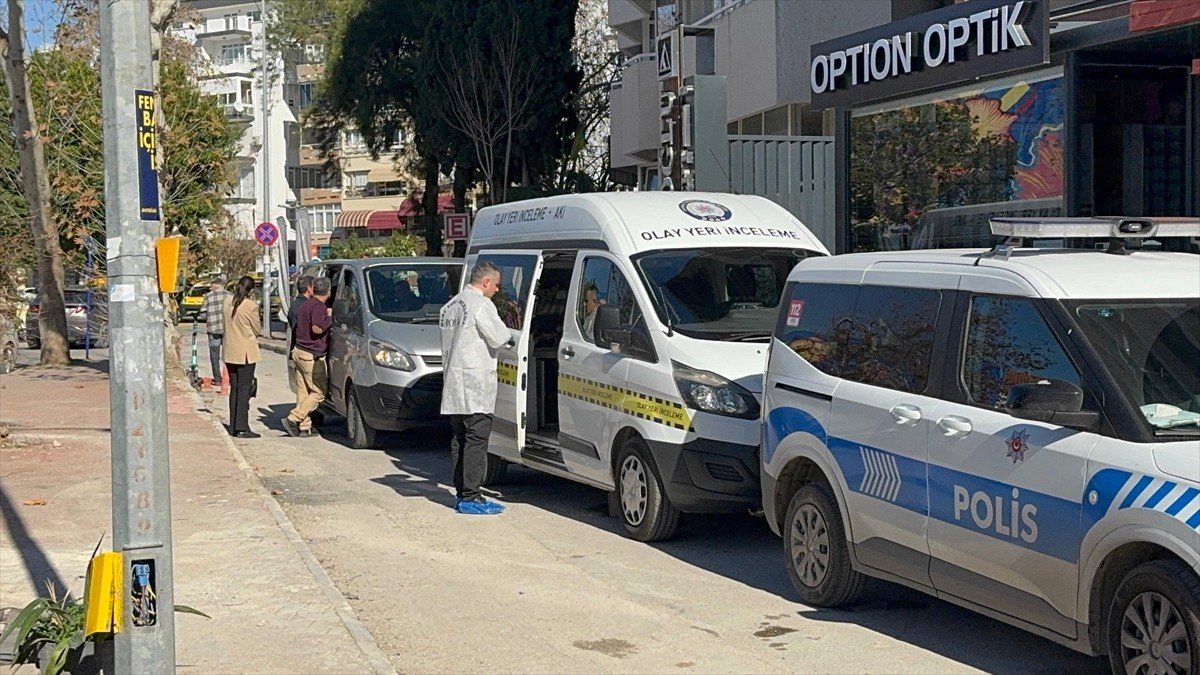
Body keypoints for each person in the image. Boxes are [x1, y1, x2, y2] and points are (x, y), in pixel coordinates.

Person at [439, 261, 512, 515]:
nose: (497, 291)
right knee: (476, 441)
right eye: (497, 285)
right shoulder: (481, 304)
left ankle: (461, 493)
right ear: (486, 282)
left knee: (459, 439)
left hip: (455, 384)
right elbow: (500, 337)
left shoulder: (450, 306)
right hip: (475, 384)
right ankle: (472, 495)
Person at [282, 277, 333, 438]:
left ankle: (304, 427)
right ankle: (293, 418)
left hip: (299, 350)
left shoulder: (305, 304)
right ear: (329, 292)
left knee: (304, 392)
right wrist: (330, 319)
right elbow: (317, 329)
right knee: (318, 392)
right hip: (311, 355)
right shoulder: (319, 307)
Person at [223, 276, 262, 439]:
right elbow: (257, 329)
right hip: (246, 352)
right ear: (251, 291)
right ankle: (242, 427)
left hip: (230, 350)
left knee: (235, 388)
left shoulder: (226, 302)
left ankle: (233, 425)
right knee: (244, 389)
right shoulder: (250, 306)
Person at [201, 279, 231, 388]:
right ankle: (229, 378)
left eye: (211, 286)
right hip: (227, 330)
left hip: (213, 329)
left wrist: (208, 318)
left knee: (214, 356)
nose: (210, 288)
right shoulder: (230, 296)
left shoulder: (208, 296)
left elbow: (203, 313)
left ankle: (217, 379)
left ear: (217, 285)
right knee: (229, 355)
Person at [287, 275, 315, 354]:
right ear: (309, 288)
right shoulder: (305, 305)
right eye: (314, 287)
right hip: (304, 348)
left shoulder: (295, 304)